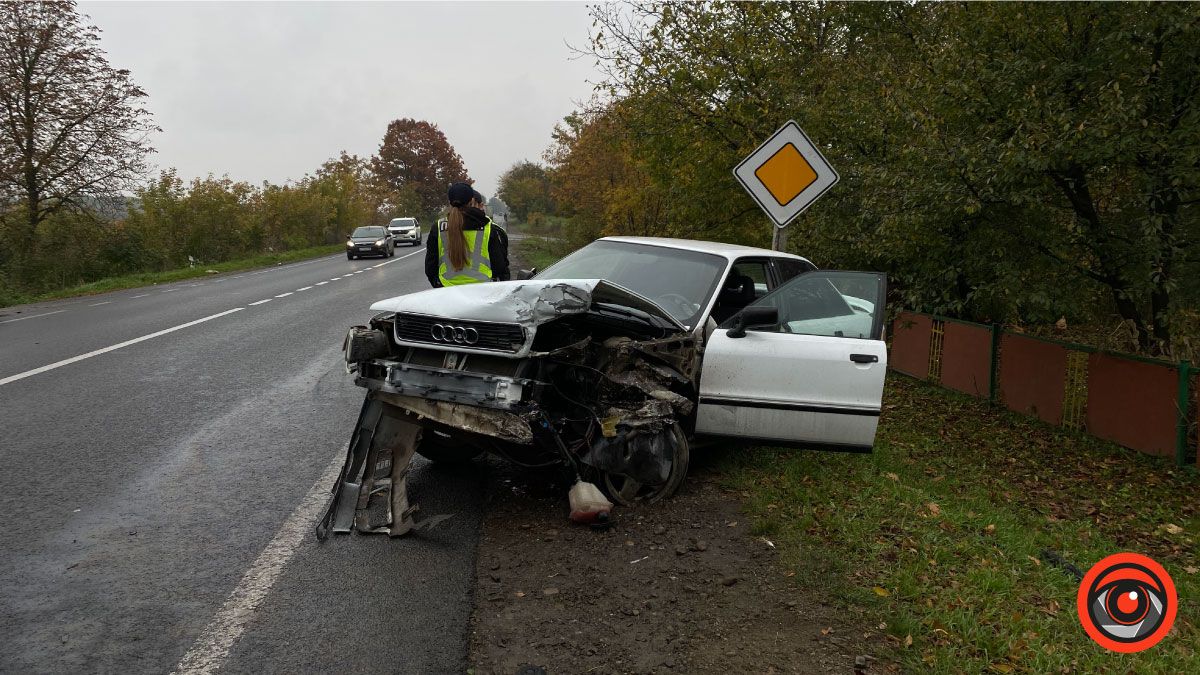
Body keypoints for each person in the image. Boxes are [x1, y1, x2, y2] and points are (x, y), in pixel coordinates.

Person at [425, 182, 510, 287]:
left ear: (450, 203)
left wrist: (439, 286)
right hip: (482, 290)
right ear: (471, 201)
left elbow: (430, 268)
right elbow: (499, 267)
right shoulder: (487, 227)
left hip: (447, 291)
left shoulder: (438, 228)